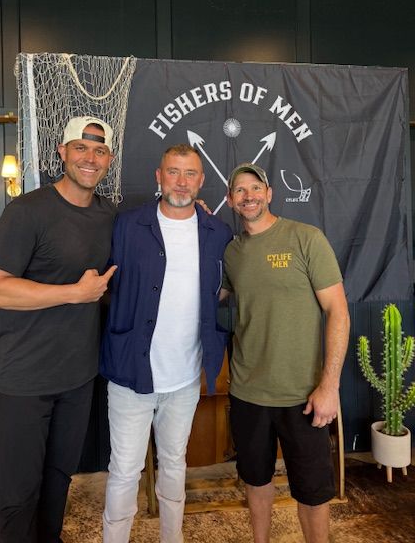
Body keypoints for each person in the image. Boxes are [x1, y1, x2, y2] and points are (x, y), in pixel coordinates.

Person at [0, 116, 118, 543]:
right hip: (23, 380)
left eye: (99, 150)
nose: (90, 158)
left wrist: (192, 213)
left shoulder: (108, 214)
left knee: (58, 481)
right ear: (62, 152)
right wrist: (73, 293)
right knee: (20, 495)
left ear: (109, 158)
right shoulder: (26, 211)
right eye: (81, 147)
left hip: (77, 377)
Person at [100, 144, 233, 543]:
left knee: (175, 464)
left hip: (185, 378)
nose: (181, 182)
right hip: (131, 373)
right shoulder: (127, 225)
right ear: (159, 177)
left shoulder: (217, 233)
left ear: (201, 180)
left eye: (190, 173)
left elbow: (223, 291)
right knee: (125, 470)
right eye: (173, 172)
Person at [221, 163, 350, 543]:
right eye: (239, 190)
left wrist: (329, 386)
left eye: (255, 188)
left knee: (312, 492)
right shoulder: (232, 252)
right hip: (248, 392)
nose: (248, 196)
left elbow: (338, 311)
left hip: (303, 395)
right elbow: (206, 293)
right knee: (256, 480)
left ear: (269, 193)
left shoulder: (305, 238)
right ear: (230, 200)